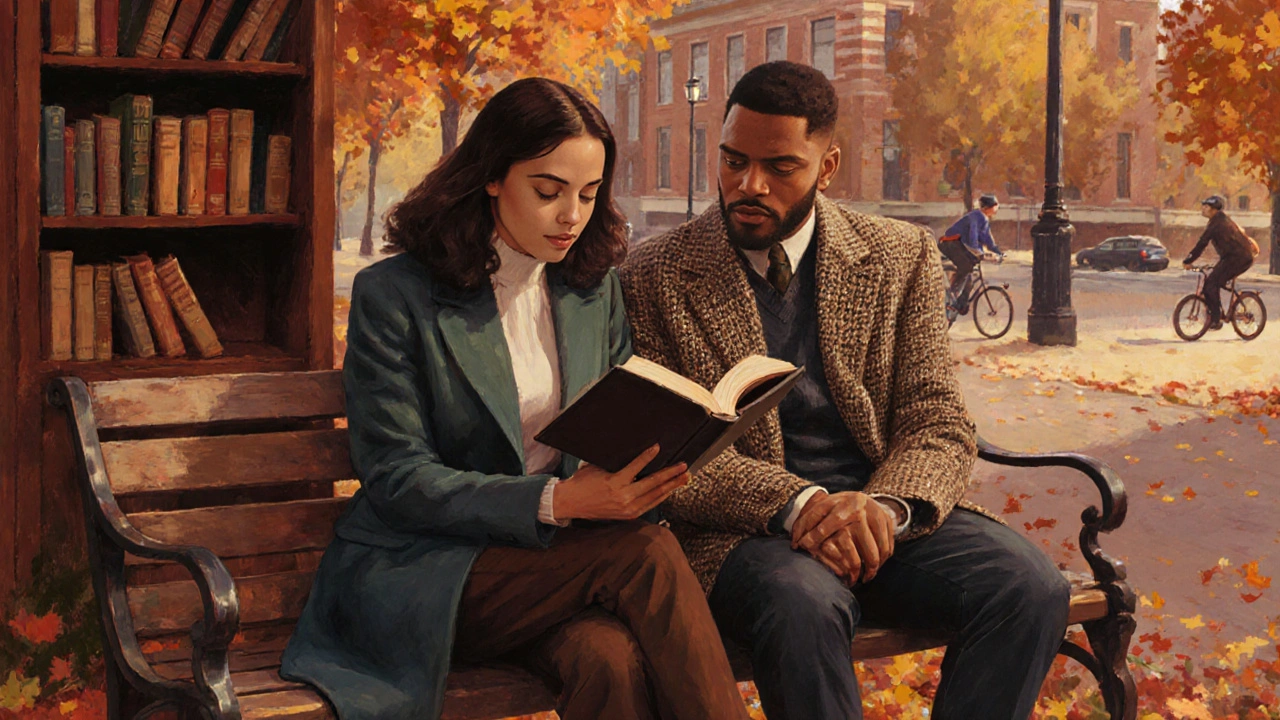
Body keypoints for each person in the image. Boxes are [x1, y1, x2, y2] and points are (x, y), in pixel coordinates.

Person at [281, 78, 750, 720]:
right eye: (548, 191)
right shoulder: (395, 296)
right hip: (427, 573)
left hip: (557, 568)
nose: (572, 216)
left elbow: (610, 417)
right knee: (646, 554)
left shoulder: (592, 291)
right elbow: (396, 477)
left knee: (606, 660)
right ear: (493, 176)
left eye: (589, 194)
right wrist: (556, 500)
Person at [619, 61, 1069, 720]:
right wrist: (800, 505)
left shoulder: (899, 254)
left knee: (1030, 587)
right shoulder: (654, 272)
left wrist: (883, 508)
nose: (748, 185)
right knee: (804, 605)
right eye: (733, 160)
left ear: (826, 167)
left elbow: (936, 421)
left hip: (883, 519)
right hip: (744, 537)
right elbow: (669, 453)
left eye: (779, 168)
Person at [1183, 195, 1259, 330]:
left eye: (1206, 207)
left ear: (1214, 210)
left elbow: (1202, 243)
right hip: (1232, 258)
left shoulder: (1217, 223)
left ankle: (1216, 320)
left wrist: (1188, 260)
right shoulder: (1219, 220)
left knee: (1211, 284)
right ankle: (1217, 314)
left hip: (1239, 259)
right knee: (1213, 282)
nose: (1203, 209)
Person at [939, 193, 1004, 315]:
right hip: (951, 243)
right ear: (989, 207)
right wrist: (980, 253)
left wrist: (998, 252)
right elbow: (972, 238)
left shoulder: (984, 219)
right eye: (995, 205)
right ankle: (952, 292)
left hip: (961, 245)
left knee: (970, 277)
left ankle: (961, 304)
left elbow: (988, 240)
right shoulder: (975, 216)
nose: (997, 208)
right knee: (966, 267)